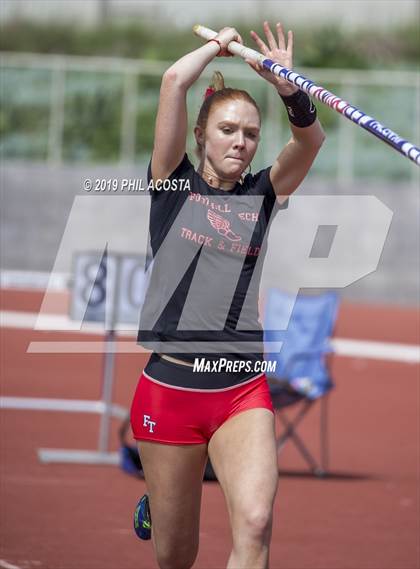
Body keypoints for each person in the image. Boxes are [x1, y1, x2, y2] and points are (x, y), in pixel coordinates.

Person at [130, 21, 325, 569]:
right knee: (177, 556)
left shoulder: (263, 195)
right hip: (170, 388)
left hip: (242, 390)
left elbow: (310, 141)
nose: (240, 142)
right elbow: (174, 81)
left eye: (250, 134)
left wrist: (286, 85)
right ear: (202, 135)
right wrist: (221, 45)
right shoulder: (173, 183)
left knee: (257, 524)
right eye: (228, 130)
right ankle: (161, 494)